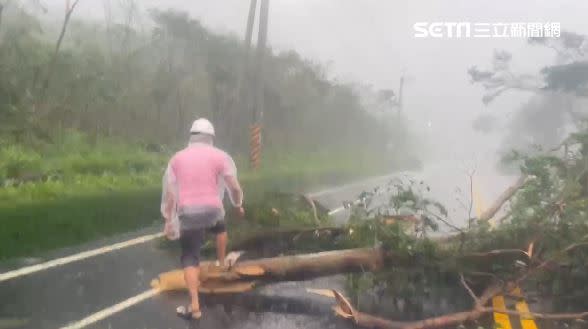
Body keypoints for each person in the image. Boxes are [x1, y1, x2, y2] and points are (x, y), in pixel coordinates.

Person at [160, 118, 244, 320]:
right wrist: (238, 204)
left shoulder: (177, 159)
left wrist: (169, 220)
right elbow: (233, 186)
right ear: (211, 137)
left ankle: (195, 306)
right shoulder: (219, 157)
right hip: (213, 211)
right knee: (220, 226)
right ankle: (222, 262)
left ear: (191, 136)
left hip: (188, 212)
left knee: (189, 255)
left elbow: (171, 195)